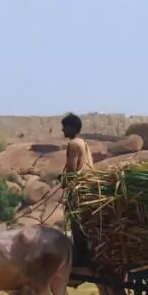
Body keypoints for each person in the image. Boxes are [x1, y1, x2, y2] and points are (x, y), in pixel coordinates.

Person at [60, 113, 95, 267]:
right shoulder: (84, 143)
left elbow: (72, 171)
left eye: (65, 127)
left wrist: (63, 181)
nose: (63, 130)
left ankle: (79, 257)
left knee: (76, 222)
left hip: (78, 190)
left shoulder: (73, 144)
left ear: (72, 127)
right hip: (89, 187)